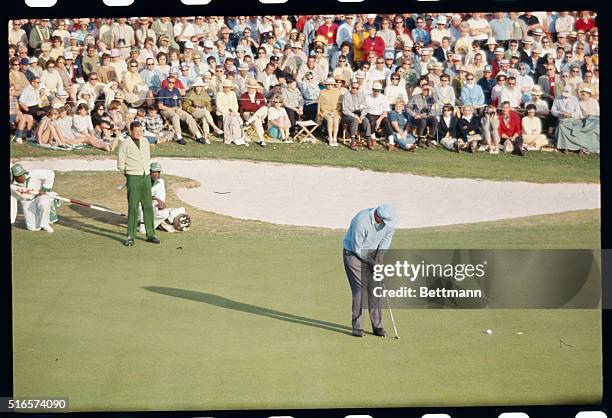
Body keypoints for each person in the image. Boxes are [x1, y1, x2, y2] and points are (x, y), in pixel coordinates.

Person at [342, 204, 397, 338]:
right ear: (378, 217)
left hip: (372, 254)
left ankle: (377, 326)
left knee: (375, 289)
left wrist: (379, 258)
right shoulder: (361, 221)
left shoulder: (389, 222)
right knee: (360, 290)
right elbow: (357, 248)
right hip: (353, 254)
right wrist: (373, 263)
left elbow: (386, 239)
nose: (387, 224)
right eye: (384, 221)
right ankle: (357, 327)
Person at [117, 121, 160, 247]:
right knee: (133, 207)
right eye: (136, 131)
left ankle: (151, 234)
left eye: (140, 131)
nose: (138, 133)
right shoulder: (125, 144)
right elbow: (121, 164)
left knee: (148, 206)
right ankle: (130, 236)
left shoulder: (145, 141)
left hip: (145, 176)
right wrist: (129, 175)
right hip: (133, 177)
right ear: (131, 131)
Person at [138, 162, 188, 234]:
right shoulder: (143, 181)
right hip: (141, 206)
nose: (157, 174)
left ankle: (152, 226)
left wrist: (160, 203)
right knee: (142, 231)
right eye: (155, 172)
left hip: (153, 206)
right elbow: (141, 196)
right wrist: (157, 199)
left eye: (158, 172)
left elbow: (160, 197)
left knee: (166, 213)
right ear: (150, 172)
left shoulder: (160, 181)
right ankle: (152, 224)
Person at [157, 75, 203, 145]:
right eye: (169, 82)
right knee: (175, 116)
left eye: (173, 82)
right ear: (166, 82)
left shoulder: (176, 90)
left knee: (188, 116)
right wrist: (170, 109)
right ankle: (179, 136)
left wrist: (180, 107)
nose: (171, 84)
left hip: (176, 108)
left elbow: (179, 101)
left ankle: (198, 135)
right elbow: (160, 106)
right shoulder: (162, 91)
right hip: (165, 109)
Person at [10, 163, 56, 233]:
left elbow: (51, 174)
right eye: (18, 176)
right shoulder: (13, 187)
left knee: (44, 202)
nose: (21, 177)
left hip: (40, 196)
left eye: (22, 174)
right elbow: (12, 205)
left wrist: (45, 189)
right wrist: (11, 222)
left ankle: (45, 223)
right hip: (27, 202)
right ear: (14, 176)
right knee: (33, 228)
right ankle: (39, 219)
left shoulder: (34, 174)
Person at [342, 80, 371, 151]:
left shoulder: (361, 95)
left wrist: (362, 115)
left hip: (358, 113)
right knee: (354, 120)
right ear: (350, 87)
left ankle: (368, 141)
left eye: (357, 88)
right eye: (353, 88)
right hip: (347, 115)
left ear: (359, 88)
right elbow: (345, 110)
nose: (355, 89)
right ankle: (352, 141)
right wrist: (355, 116)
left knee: (366, 121)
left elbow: (366, 107)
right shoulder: (346, 95)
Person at [317, 78, 343, 147]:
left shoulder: (338, 92)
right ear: (326, 85)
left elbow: (339, 104)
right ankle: (330, 138)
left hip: (336, 111)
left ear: (334, 85)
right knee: (330, 120)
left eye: (331, 84)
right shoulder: (322, 92)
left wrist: (334, 112)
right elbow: (321, 105)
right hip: (325, 112)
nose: (330, 86)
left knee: (336, 120)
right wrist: (328, 112)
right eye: (328, 84)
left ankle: (335, 138)